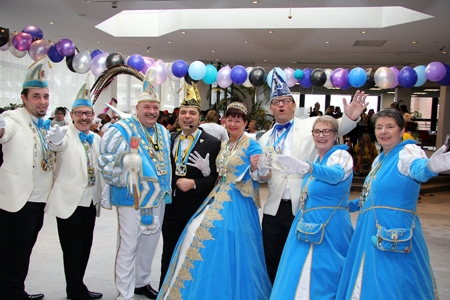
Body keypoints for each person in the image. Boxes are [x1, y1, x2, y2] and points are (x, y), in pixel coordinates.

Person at [258, 70, 368, 283]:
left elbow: (336, 128)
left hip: (302, 206)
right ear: (271, 107)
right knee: (271, 257)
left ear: (293, 104)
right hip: (272, 208)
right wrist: (260, 172)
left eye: (285, 100)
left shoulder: (311, 125)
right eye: (276, 102)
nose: (281, 105)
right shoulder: (263, 139)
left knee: (298, 259)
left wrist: (351, 116)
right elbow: (262, 177)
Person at [158, 102, 272, 300]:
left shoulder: (251, 144)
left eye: (238, 120)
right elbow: (220, 172)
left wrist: (258, 168)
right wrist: (206, 170)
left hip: (237, 203)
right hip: (216, 195)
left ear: (246, 123)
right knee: (197, 234)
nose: (234, 124)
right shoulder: (226, 143)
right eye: (230, 119)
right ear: (224, 121)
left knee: (223, 242)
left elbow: (262, 176)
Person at [336, 108, 450, 299]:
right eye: (379, 127)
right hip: (369, 229)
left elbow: (418, 170)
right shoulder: (380, 159)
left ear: (401, 130)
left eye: (390, 126)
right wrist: (345, 205)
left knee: (393, 283)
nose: (384, 131)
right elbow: (371, 196)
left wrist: (431, 167)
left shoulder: (408, 151)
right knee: (370, 281)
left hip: (394, 231)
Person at [98, 70, 172, 300]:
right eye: (146, 107)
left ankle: (141, 282)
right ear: (137, 108)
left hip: (158, 197)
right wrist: (126, 164)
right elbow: (105, 161)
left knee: (150, 245)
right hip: (132, 197)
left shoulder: (162, 131)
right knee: (129, 245)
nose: (151, 112)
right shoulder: (120, 130)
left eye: (155, 108)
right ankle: (125, 293)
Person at [0, 60, 66, 300]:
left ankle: (16, 289)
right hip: (17, 199)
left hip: (38, 200)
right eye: (36, 96)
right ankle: (11, 292)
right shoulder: (13, 117)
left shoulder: (43, 125)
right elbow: (4, 131)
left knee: (23, 250)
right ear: (24, 98)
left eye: (46, 96)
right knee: (12, 251)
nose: (42, 102)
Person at [269, 115, 354, 299]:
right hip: (306, 226)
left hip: (329, 229)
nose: (321, 135)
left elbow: (336, 175)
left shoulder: (341, 155)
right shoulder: (318, 159)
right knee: (296, 273)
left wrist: (308, 168)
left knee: (324, 277)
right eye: (316, 131)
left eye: (326, 131)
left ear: (335, 134)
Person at [45, 81, 104, 300]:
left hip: (90, 202)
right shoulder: (63, 134)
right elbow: (55, 145)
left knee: (85, 248)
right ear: (72, 115)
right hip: (69, 203)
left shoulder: (96, 139)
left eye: (87, 113)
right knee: (71, 250)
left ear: (93, 115)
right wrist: (55, 139)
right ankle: (75, 289)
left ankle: (78, 285)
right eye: (79, 113)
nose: (84, 117)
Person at [159, 83, 221, 288]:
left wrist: (194, 182)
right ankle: (165, 289)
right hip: (169, 208)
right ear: (179, 116)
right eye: (183, 112)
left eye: (192, 113)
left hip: (196, 207)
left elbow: (215, 179)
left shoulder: (212, 142)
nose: (187, 116)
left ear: (199, 117)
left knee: (193, 251)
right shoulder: (170, 138)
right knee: (168, 250)